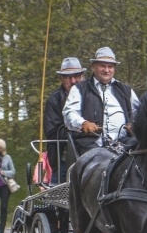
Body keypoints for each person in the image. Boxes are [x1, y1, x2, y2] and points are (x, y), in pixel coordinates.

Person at [63, 46, 140, 154]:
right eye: (102, 66)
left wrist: (134, 124)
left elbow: (139, 113)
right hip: (91, 144)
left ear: (114, 69)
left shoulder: (126, 91)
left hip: (124, 143)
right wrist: (83, 123)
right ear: (93, 67)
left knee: (142, 153)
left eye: (110, 66)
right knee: (99, 160)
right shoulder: (80, 89)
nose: (107, 70)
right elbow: (69, 114)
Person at [44, 56, 86, 184]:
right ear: (61, 78)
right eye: (68, 77)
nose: (73, 81)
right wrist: (79, 127)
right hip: (64, 159)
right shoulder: (54, 100)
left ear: (83, 76)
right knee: (59, 198)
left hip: (95, 155)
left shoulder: (94, 94)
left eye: (77, 76)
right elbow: (51, 132)